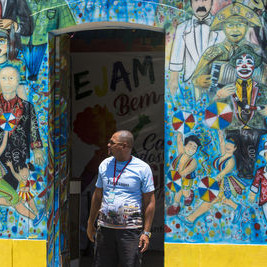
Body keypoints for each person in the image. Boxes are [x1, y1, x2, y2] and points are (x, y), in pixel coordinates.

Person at [86, 130, 155, 267]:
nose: (108, 144)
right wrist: (90, 223)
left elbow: (150, 201)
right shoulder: (105, 165)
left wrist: (146, 232)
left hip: (130, 231)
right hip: (105, 229)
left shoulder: (142, 168)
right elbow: (98, 194)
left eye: (112, 142)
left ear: (124, 146)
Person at [213, 44, 267, 178]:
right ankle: (237, 173)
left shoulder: (262, 89)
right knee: (236, 154)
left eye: (249, 62)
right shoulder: (227, 89)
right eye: (240, 63)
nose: (244, 66)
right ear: (235, 66)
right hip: (234, 129)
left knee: (250, 152)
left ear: (254, 67)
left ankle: (247, 174)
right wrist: (218, 96)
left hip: (255, 129)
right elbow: (213, 111)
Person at [0, 66, 44, 174]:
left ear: (18, 81)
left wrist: (37, 149)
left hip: (20, 154)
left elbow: (33, 128)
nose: (7, 82)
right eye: (4, 78)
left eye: (11, 78)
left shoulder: (27, 107)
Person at [192, 2, 263, 100]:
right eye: (230, 25)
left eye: (240, 25)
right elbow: (196, 78)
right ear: (223, 27)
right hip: (219, 102)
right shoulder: (213, 51)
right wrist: (198, 81)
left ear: (247, 26)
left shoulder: (256, 50)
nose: (235, 30)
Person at [181, 131, 245, 226]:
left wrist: (211, 182)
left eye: (232, 145)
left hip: (223, 183)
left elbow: (221, 174)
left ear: (235, 148)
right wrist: (220, 133)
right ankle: (237, 207)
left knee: (209, 201)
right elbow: (222, 143)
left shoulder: (231, 161)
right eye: (228, 143)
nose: (228, 146)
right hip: (218, 182)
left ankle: (190, 219)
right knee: (222, 199)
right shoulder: (224, 155)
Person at [168, 0, 224, 97]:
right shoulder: (182, 28)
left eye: (205, 0)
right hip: (189, 85)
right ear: (191, 3)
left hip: (213, 85)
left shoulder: (221, 28)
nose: (201, 5)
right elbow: (175, 64)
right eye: (196, 0)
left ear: (211, 2)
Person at [167, 133, 201, 216]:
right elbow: (179, 142)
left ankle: (189, 194)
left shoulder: (193, 162)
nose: (191, 148)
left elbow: (188, 170)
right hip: (177, 177)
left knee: (184, 192)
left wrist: (177, 176)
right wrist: (179, 133)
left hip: (186, 179)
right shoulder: (181, 153)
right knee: (178, 192)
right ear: (185, 145)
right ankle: (176, 205)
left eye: (194, 147)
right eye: (190, 145)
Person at [248, 139, 267, 235]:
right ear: (264, 156)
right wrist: (252, 194)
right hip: (265, 197)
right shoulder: (260, 171)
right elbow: (255, 183)